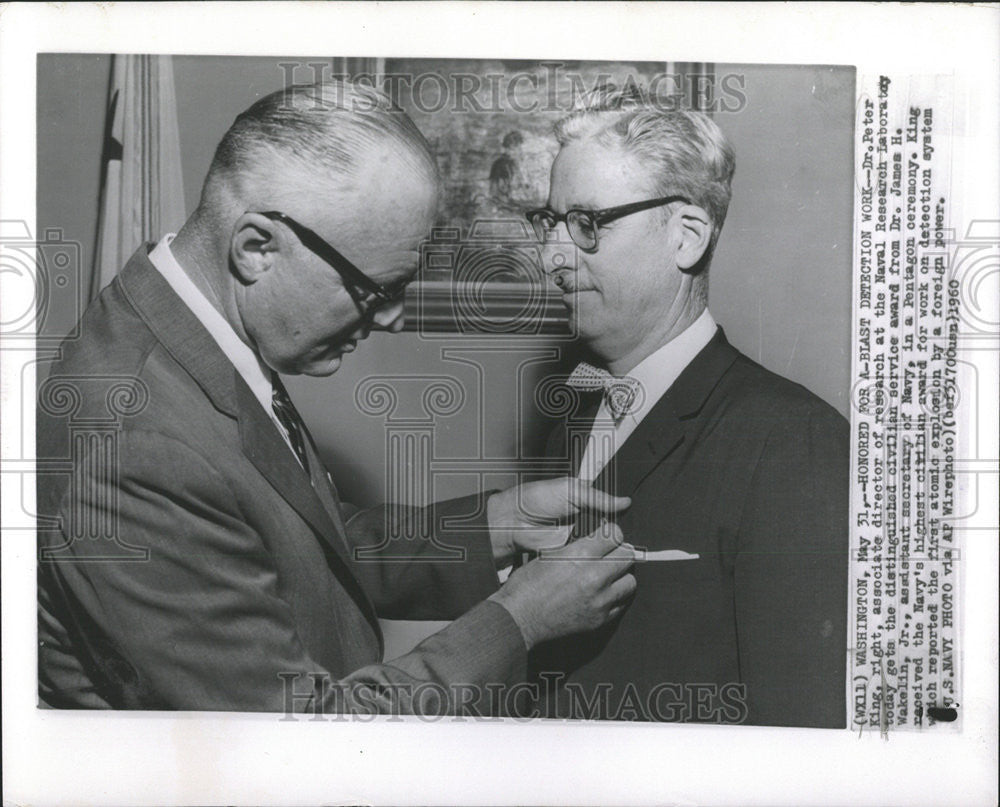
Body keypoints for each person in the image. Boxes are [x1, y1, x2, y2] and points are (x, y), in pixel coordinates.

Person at [36, 81, 637, 715]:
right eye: (377, 291)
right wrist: (518, 620)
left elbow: (291, 538)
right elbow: (302, 740)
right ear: (257, 249)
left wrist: (493, 527)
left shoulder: (194, 334)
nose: (393, 320)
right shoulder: (141, 444)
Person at [525, 85, 849, 727]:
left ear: (688, 237)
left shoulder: (795, 443)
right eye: (550, 222)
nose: (553, 257)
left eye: (587, 223)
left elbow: (801, 730)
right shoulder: (569, 411)